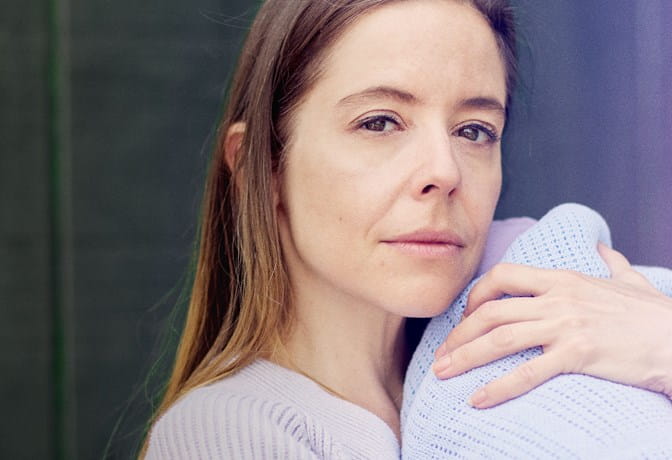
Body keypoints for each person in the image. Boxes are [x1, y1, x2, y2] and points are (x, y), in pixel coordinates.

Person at [143, 0, 672, 457]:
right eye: (380, 122)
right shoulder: (227, 434)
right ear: (263, 168)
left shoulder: (547, 316)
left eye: (474, 130)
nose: (444, 171)